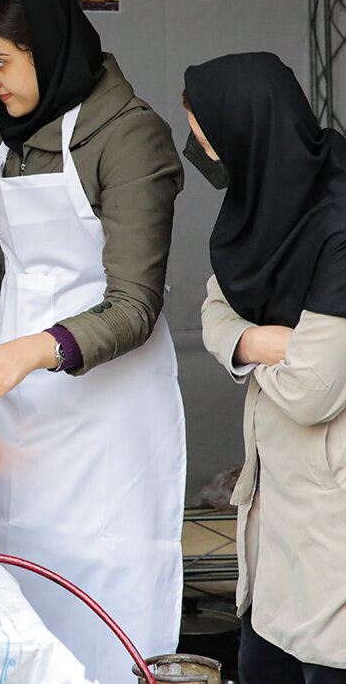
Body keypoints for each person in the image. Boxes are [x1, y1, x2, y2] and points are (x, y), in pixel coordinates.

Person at [0, 0, 186, 682]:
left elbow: (132, 302)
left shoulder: (131, 138)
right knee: (14, 584)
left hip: (108, 426)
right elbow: (33, 259)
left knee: (97, 596)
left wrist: (36, 349)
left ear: (50, 50)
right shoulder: (15, 132)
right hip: (22, 406)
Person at [186, 52, 346, 683]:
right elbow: (212, 315)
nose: (198, 146)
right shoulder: (260, 209)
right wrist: (267, 344)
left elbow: (312, 389)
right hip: (273, 521)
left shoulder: (338, 219)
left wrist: (252, 344)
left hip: (331, 522)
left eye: (202, 130)